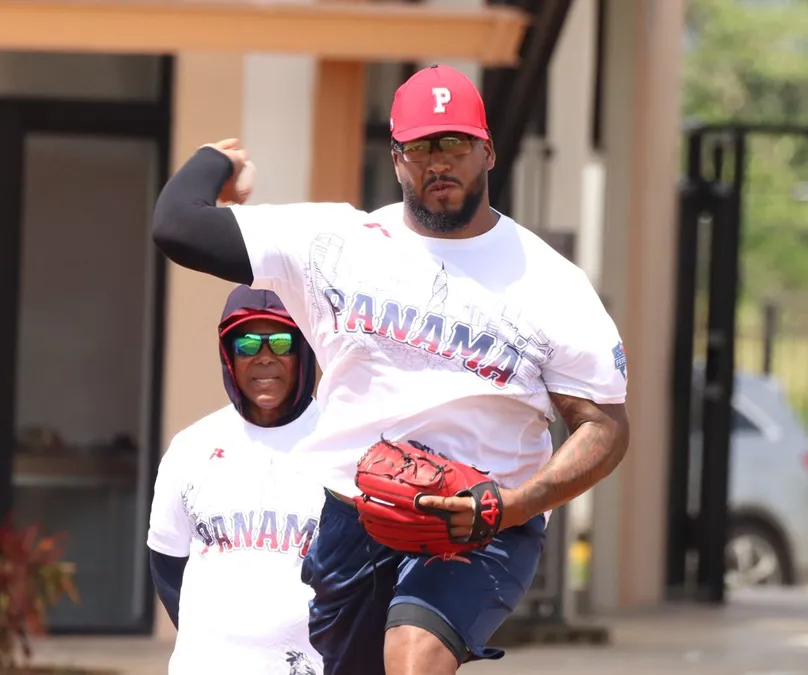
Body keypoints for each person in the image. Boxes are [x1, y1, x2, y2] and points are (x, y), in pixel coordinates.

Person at [151, 64, 630, 675]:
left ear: (487, 152)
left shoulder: (550, 284)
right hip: (356, 513)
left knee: (413, 655)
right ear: (397, 158)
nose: (439, 161)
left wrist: (512, 505)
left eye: (455, 143)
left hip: (482, 520)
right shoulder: (336, 243)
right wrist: (213, 160)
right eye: (421, 147)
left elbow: (604, 427)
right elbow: (177, 225)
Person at [147, 285, 324, 675]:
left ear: (304, 351)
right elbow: (166, 562)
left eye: (281, 343)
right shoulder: (191, 447)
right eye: (247, 344)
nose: (264, 357)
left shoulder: (341, 444)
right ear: (229, 355)